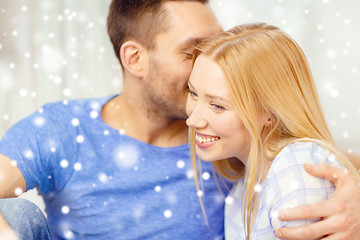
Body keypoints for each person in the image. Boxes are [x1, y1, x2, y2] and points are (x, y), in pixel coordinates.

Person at [0, 0, 359, 239]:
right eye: (193, 51)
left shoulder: (230, 141)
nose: (211, 63)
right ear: (135, 59)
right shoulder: (64, 131)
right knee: (17, 213)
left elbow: (306, 151)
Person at [185, 22, 360, 240]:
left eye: (217, 106)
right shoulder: (241, 193)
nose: (192, 120)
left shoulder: (296, 167)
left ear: (269, 111)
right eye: (192, 93)